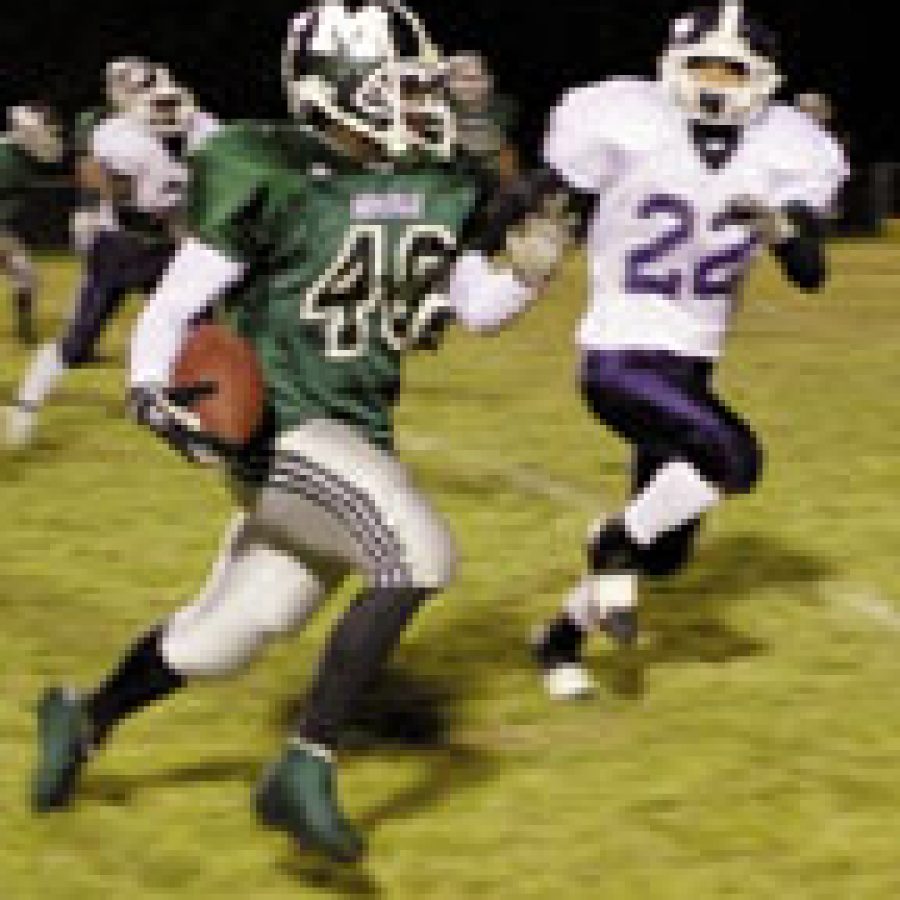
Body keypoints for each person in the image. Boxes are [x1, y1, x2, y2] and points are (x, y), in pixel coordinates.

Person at [33, 1, 573, 863]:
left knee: (224, 637)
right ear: (338, 90)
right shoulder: (272, 170)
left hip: (350, 444)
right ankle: (303, 767)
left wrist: (529, 276)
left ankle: (83, 718)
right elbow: (175, 302)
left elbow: (474, 309)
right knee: (418, 553)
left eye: (425, 86)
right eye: (403, 86)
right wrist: (147, 388)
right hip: (280, 428)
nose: (425, 102)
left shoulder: (439, 182)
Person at [532, 1, 849, 699]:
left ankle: (559, 641)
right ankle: (608, 544)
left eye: (731, 68)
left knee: (663, 552)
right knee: (736, 457)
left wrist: (779, 228)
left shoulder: (787, 147)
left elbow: (812, 274)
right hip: (620, 354)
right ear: (672, 66)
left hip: (690, 364)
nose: (714, 79)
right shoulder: (623, 118)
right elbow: (542, 197)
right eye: (702, 63)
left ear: (760, 78)